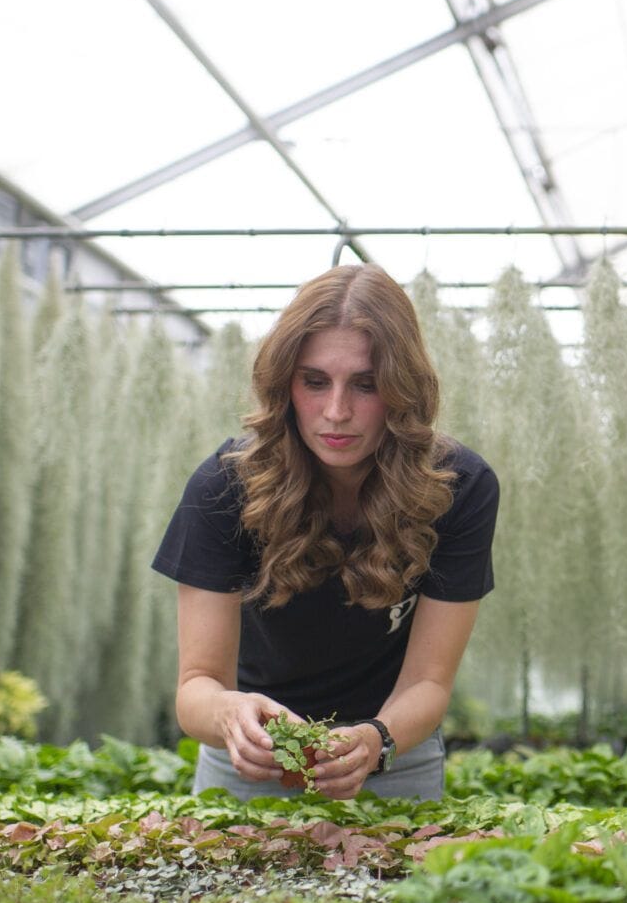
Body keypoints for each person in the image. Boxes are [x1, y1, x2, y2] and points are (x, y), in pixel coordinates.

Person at [152, 263, 499, 802]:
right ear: (284, 383)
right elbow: (197, 685)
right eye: (314, 382)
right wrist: (228, 713)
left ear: (402, 389)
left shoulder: (458, 487)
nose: (337, 412)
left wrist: (376, 741)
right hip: (248, 763)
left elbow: (429, 681)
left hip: (392, 757)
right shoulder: (226, 483)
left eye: (366, 384)